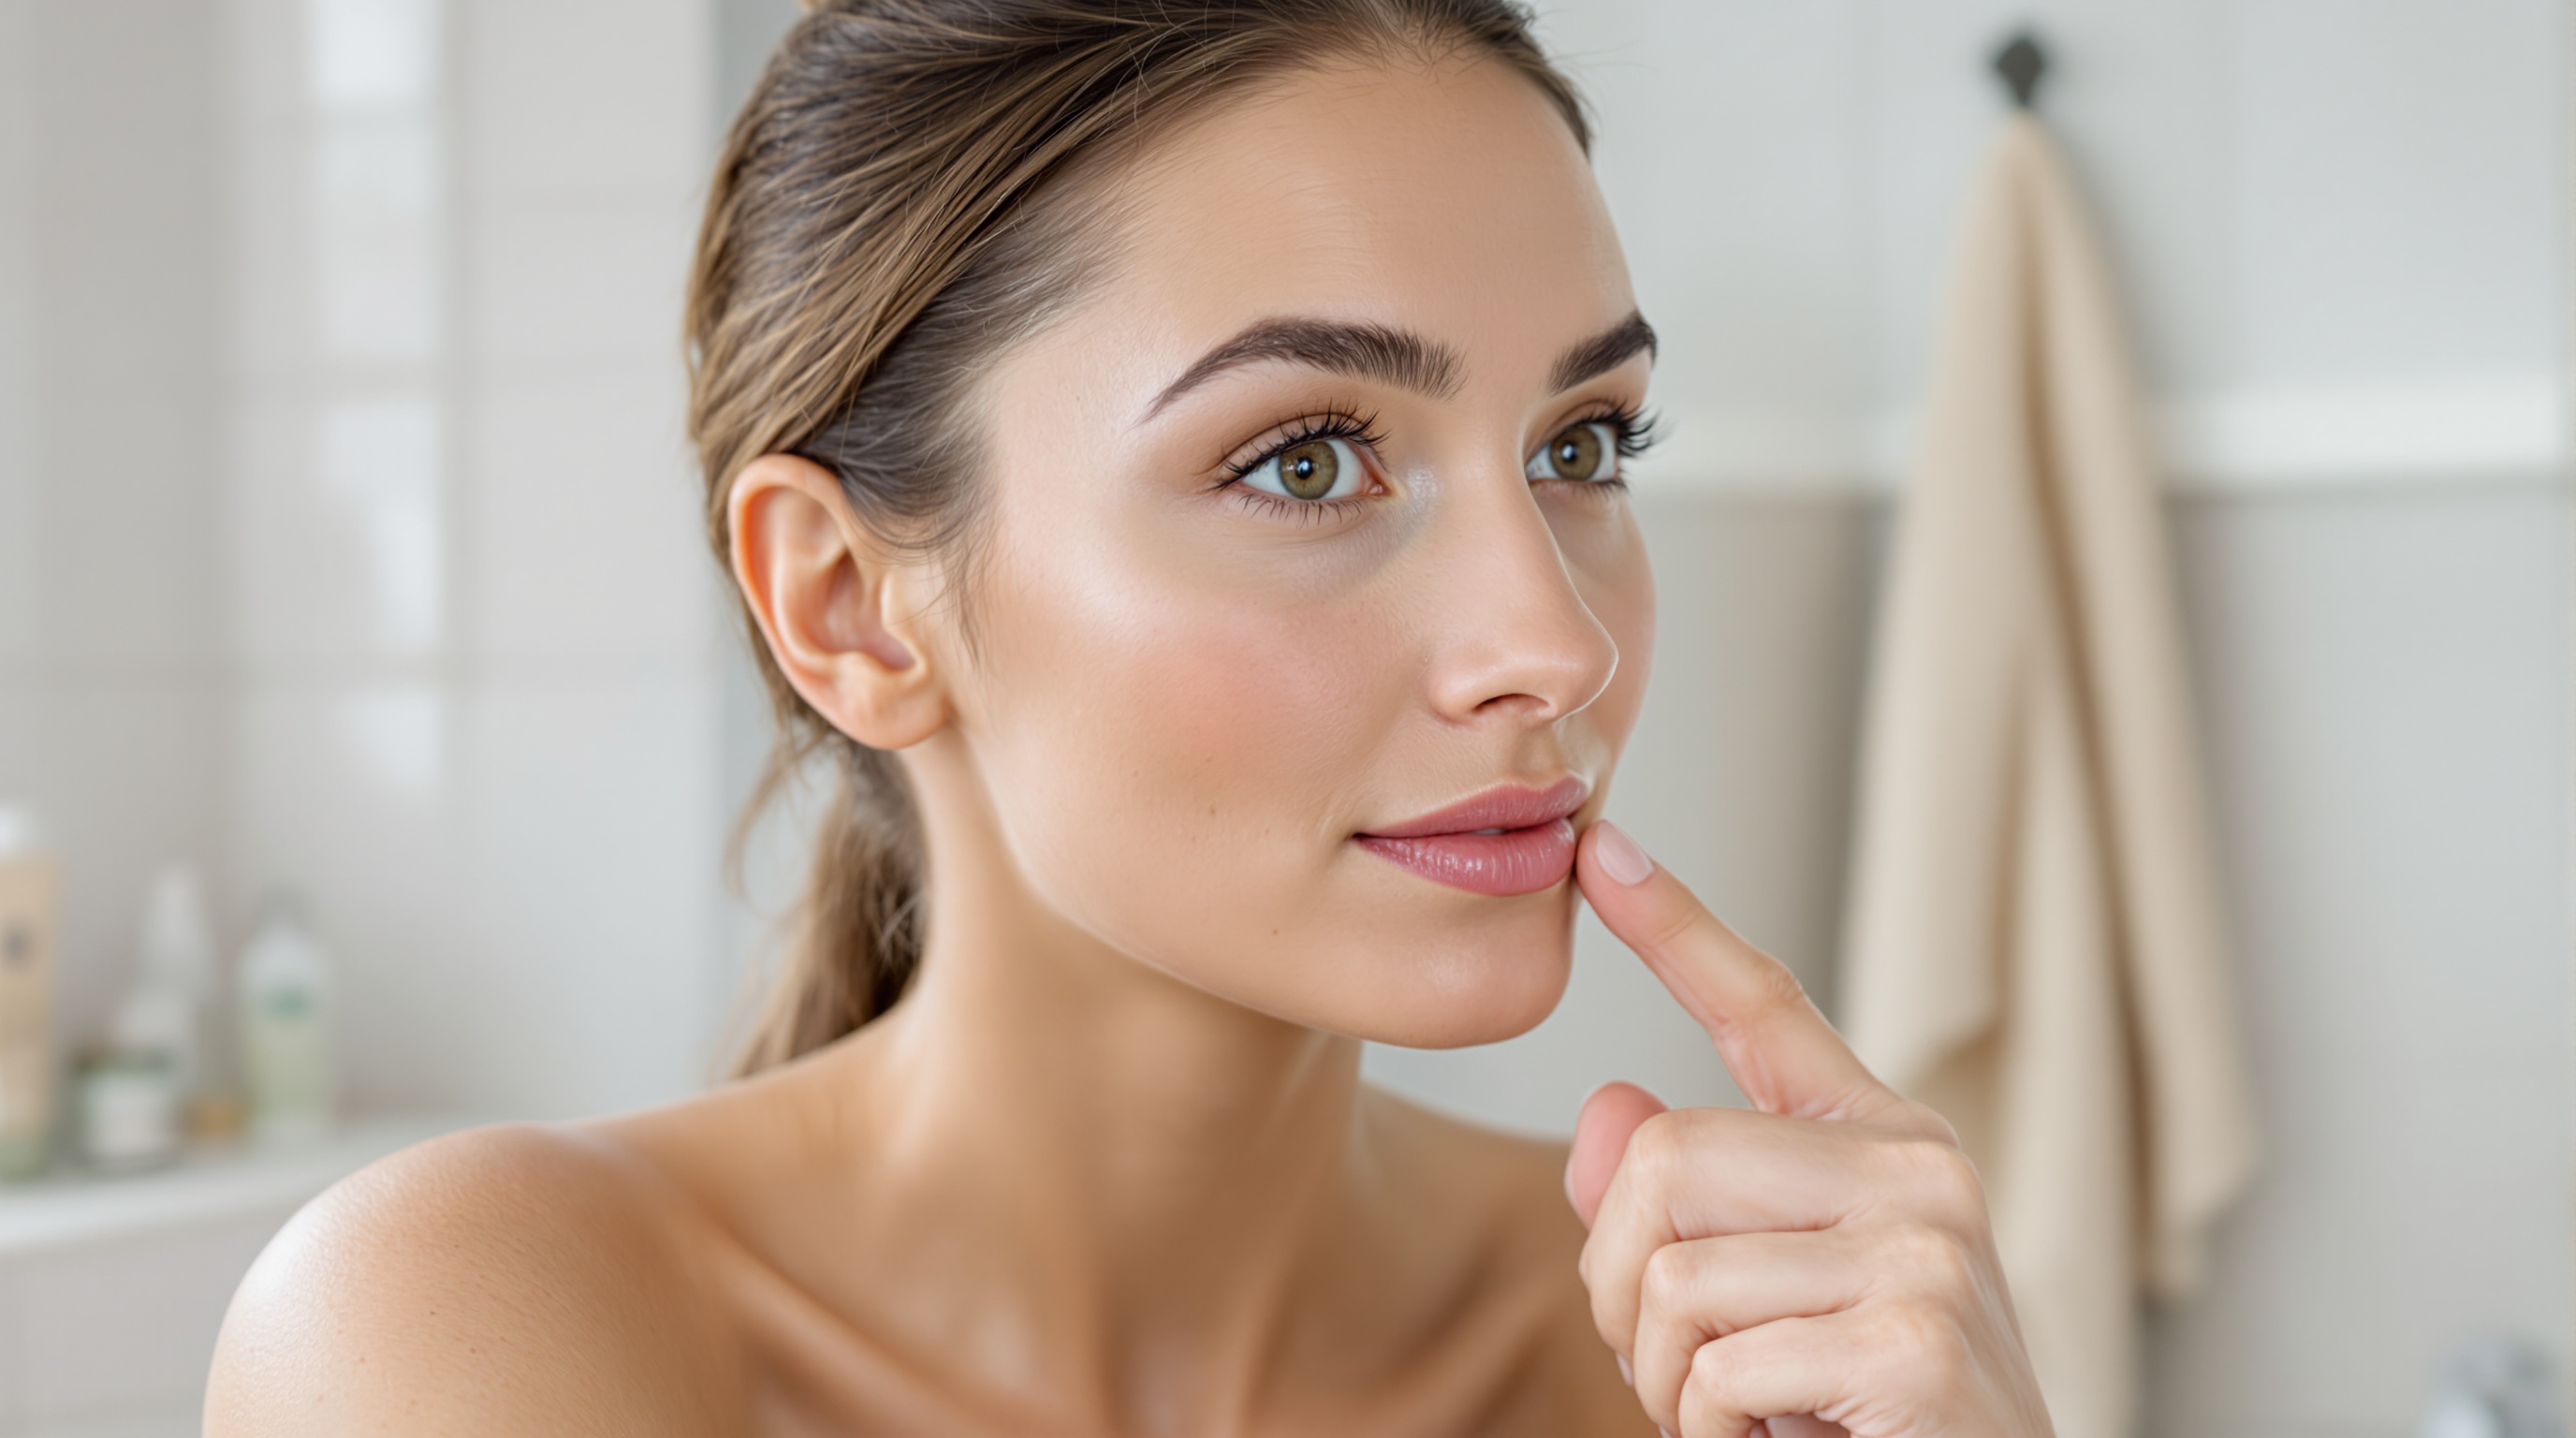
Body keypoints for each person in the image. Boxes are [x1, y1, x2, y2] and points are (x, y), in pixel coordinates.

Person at [207, 3, 2053, 1433]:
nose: (1551, 645)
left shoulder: (1712, 1358)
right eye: (1305, 460)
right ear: (845, 604)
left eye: (1580, 447)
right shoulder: (466, 1327)